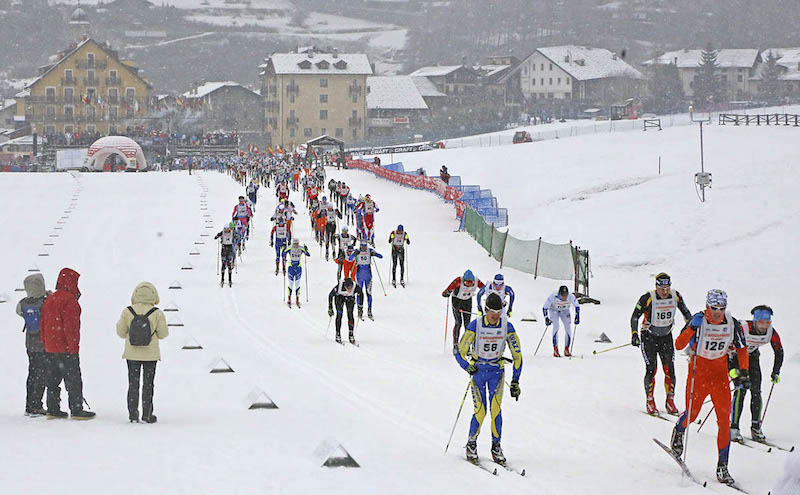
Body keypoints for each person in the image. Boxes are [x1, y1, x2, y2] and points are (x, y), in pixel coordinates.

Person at [669, 289, 749, 485]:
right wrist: (691, 329)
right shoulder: (698, 320)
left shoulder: (732, 323)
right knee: (693, 414)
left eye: (721, 308)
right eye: (714, 308)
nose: (717, 312)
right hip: (698, 373)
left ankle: (723, 466)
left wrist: (744, 372)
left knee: (724, 421)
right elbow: (678, 345)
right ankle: (679, 430)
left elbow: (742, 348)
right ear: (707, 306)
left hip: (720, 376)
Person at [455, 293, 523, 465]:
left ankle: (496, 446)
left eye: (499, 312)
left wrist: (515, 381)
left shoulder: (507, 326)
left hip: (497, 373)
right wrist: (466, 366)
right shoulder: (475, 325)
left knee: (496, 410)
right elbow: (459, 352)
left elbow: (518, 356)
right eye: (492, 312)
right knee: (481, 411)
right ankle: (471, 443)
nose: (495, 316)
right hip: (479, 372)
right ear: (485, 310)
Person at [630, 272, 692, 415]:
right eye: (662, 288)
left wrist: (687, 329)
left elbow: (687, 314)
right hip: (649, 337)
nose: (665, 292)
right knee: (652, 368)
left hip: (666, 337)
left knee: (669, 369)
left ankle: (670, 401)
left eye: (667, 288)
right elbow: (635, 316)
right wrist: (634, 334)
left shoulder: (675, 296)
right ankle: (650, 400)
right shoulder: (647, 298)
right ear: (656, 286)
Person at [39, 268, 95, 419]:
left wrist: (45, 342)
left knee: (52, 380)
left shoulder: (50, 299)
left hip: (50, 347)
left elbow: (43, 323)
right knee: (73, 379)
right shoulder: (70, 301)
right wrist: (74, 349)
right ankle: (76, 409)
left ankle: (53, 408)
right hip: (66, 349)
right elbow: (71, 329)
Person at [728, 305, 784, 443]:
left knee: (756, 392)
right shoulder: (742, 327)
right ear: (755, 321)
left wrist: (775, 371)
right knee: (741, 390)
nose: (764, 326)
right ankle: (734, 427)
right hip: (733, 357)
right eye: (761, 322)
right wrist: (731, 370)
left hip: (752, 357)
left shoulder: (771, 332)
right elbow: (724, 346)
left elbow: (779, 351)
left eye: (767, 322)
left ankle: (756, 427)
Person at [116, 282, 169, 423]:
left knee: (133, 384)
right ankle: (147, 414)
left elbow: (121, 333)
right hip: (150, 355)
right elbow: (163, 334)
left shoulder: (128, 311)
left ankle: (133, 414)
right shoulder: (156, 313)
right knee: (148, 384)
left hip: (131, 354)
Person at [15, 273, 50, 416]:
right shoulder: (45, 301)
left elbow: (19, 312)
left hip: (30, 343)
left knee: (32, 373)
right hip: (43, 343)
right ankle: (36, 405)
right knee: (42, 375)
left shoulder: (22, 303)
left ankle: (29, 404)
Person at [442, 270, 485, 355]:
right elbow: (447, 290)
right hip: (457, 302)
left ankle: (466, 345)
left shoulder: (477, 281)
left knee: (467, 325)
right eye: (466, 282)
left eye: (471, 282)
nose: (469, 284)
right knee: (458, 323)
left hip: (467, 302)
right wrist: (446, 293)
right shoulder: (458, 280)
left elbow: (485, 288)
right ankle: (455, 345)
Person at [348, 240, 383, 320]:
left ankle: (369, 310)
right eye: (362, 246)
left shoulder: (369, 250)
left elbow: (381, 256)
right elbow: (350, 259)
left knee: (369, 293)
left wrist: (374, 254)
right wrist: (354, 254)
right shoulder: (357, 251)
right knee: (359, 293)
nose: (363, 248)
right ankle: (360, 310)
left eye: (365, 246)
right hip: (359, 275)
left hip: (368, 276)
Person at [543, 285, 580, 357]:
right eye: (562, 296)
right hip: (554, 311)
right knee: (556, 327)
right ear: (559, 294)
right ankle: (555, 348)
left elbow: (577, 306)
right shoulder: (553, 296)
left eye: (565, 296)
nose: (564, 298)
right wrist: (546, 318)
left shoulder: (571, 296)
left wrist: (577, 316)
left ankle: (567, 348)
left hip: (565, 311)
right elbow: (545, 307)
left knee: (568, 328)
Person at [328, 277, 364, 345]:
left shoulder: (355, 286)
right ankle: (337, 334)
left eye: (351, 287)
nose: (350, 289)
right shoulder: (339, 286)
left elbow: (361, 294)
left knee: (350, 314)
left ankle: (351, 334)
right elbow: (330, 295)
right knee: (339, 315)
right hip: (339, 298)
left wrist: (360, 307)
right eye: (348, 288)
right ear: (345, 286)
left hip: (350, 298)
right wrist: (330, 308)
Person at [282, 238, 311, 308]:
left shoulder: (301, 248)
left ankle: (297, 299)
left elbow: (308, 254)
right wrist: (283, 247)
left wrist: (306, 249)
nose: (296, 245)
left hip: (298, 267)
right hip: (291, 267)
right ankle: (289, 298)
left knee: (297, 284)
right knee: (291, 284)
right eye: (294, 244)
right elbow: (283, 254)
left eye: (297, 244)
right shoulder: (290, 248)